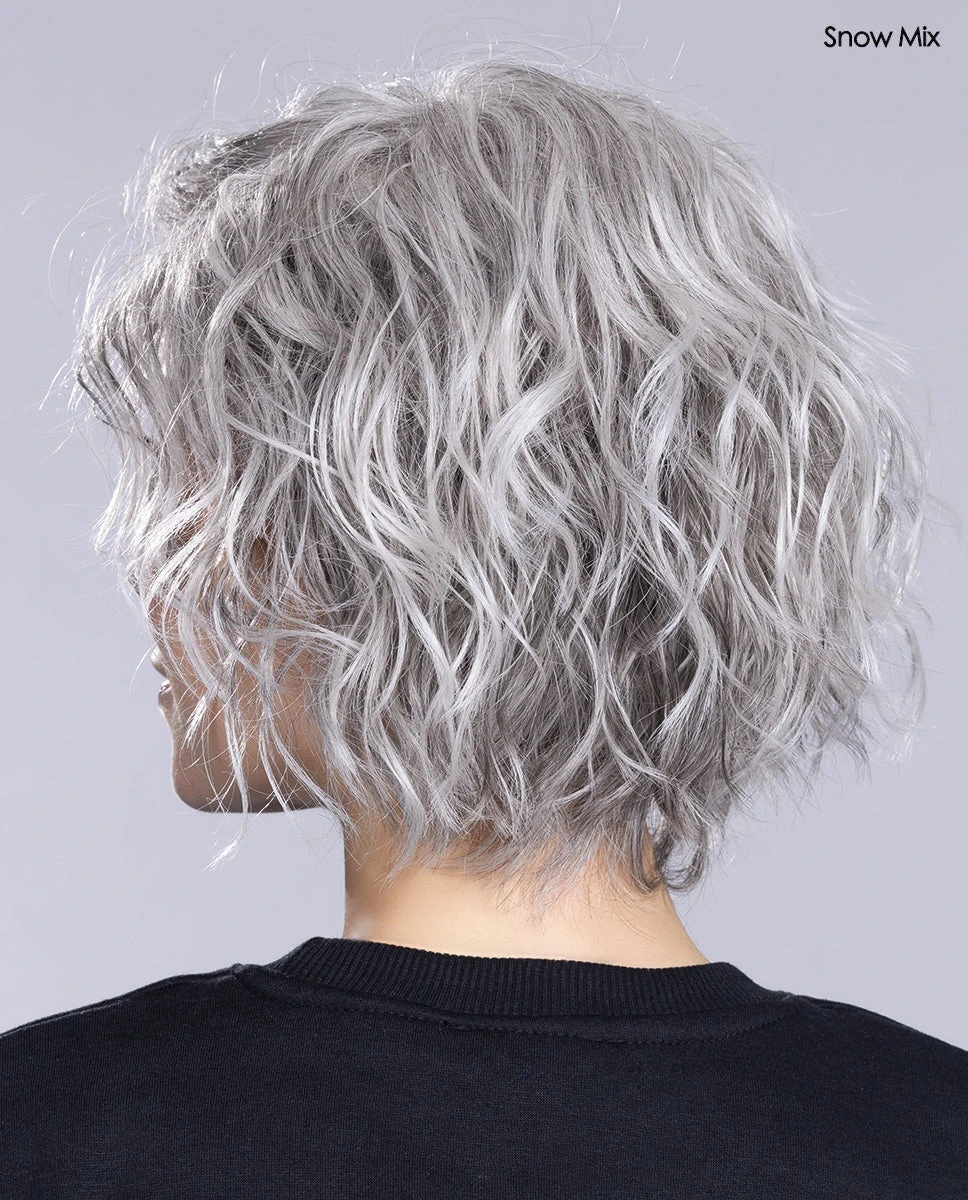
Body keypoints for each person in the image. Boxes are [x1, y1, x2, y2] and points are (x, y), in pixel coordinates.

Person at [2, 52, 965, 1198]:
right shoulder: (929, 1137)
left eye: (192, 479)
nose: (145, 563)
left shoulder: (51, 1129)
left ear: (352, 535)